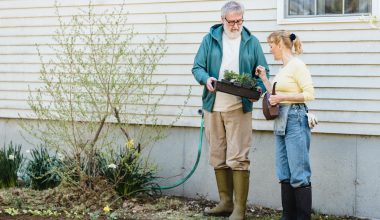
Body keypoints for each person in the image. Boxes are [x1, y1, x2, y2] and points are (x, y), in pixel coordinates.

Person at [192, 1, 269, 220]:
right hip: (213, 106)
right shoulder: (210, 40)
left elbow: (263, 72)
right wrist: (206, 79)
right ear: (222, 20)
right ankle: (225, 202)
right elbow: (197, 67)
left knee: (239, 156)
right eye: (232, 22)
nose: (236, 26)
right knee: (218, 154)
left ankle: (239, 209)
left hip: (239, 107)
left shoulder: (251, 42)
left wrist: (258, 88)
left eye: (239, 21)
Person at [255, 30, 316, 220]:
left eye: (271, 46)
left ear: (280, 44)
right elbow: (275, 95)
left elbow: (309, 94)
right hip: (282, 120)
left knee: (299, 172)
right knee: (284, 172)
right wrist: (265, 78)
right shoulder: (283, 69)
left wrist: (282, 97)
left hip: (295, 118)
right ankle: (288, 216)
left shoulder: (297, 65)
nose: (270, 50)